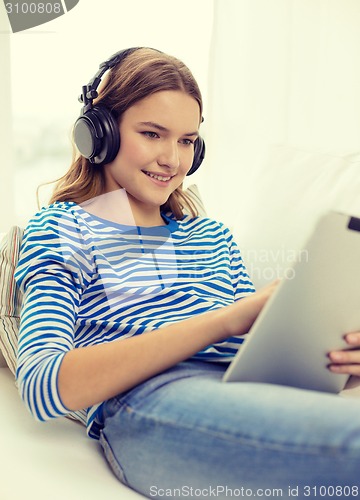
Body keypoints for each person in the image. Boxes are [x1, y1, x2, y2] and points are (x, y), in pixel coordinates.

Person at [14, 47, 360, 498]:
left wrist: (341, 361)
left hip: (246, 386)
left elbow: (255, 349)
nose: (172, 160)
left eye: (185, 141)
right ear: (99, 133)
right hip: (154, 398)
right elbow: (42, 384)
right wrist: (227, 319)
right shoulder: (63, 227)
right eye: (152, 134)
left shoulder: (212, 235)